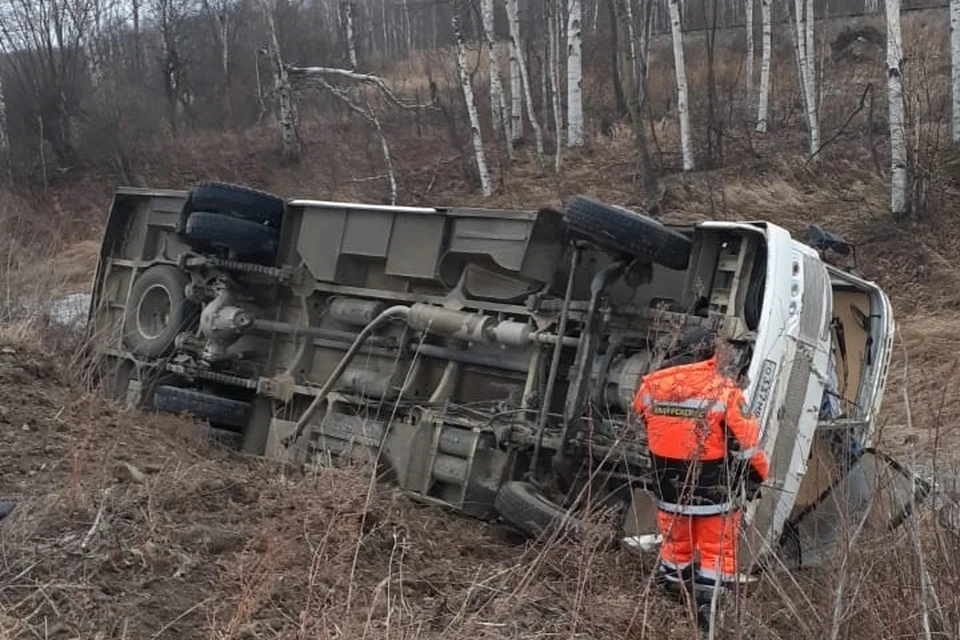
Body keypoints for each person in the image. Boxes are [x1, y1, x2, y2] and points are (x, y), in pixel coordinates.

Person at [634, 327, 770, 616]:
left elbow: (646, 424)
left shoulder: (650, 387)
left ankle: (671, 601)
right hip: (713, 490)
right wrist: (757, 478)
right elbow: (747, 446)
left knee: (676, 546)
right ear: (712, 354)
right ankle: (709, 611)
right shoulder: (724, 392)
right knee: (717, 551)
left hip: (667, 485)